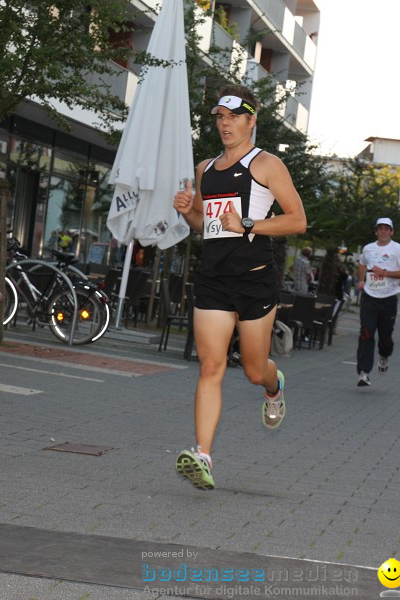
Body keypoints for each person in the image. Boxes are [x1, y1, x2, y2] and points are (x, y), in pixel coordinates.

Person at [171, 85, 307, 490]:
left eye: (233, 117)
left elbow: (298, 220)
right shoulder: (205, 169)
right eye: (220, 117)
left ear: (251, 120)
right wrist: (187, 212)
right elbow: (206, 227)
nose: (225, 124)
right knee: (210, 367)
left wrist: (248, 224)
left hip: (254, 278)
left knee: (252, 370)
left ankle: (274, 385)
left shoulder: (266, 165)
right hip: (213, 277)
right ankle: (203, 455)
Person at [355, 217, 400, 386]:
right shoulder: (368, 249)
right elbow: (362, 264)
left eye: (387, 229)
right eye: (380, 228)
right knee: (366, 333)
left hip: (388, 299)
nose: (384, 231)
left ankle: (384, 355)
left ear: (392, 232)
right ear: (376, 231)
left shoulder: (397, 249)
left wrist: (386, 273)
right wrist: (361, 280)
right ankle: (363, 372)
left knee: (385, 337)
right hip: (370, 297)